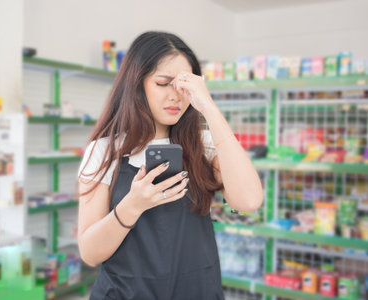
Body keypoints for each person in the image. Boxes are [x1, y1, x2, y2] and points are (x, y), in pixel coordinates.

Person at [77, 31, 263, 300]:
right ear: (136, 83)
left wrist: (209, 108)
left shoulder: (205, 144)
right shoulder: (105, 150)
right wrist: (132, 205)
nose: (176, 96)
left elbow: (249, 200)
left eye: (184, 85)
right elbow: (90, 253)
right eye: (163, 83)